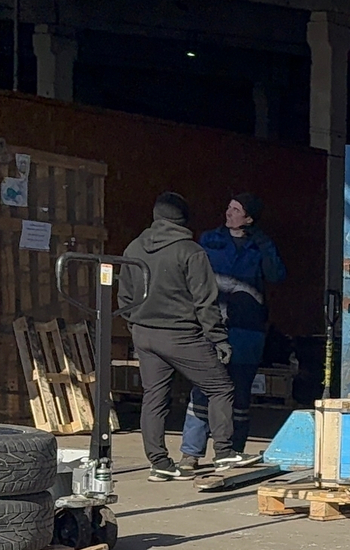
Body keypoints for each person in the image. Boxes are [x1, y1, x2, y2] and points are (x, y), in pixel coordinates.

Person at [118, 192, 244, 481]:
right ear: (184, 219)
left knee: (154, 397)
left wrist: (135, 327)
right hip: (181, 335)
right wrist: (218, 338)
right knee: (220, 388)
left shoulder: (133, 248)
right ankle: (224, 452)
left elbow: (124, 296)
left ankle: (159, 463)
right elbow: (205, 302)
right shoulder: (191, 252)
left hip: (144, 335)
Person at [179, 192, 286, 472]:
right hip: (212, 325)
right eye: (229, 207)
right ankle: (190, 453)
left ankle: (232, 451)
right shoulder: (210, 240)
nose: (229, 213)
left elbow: (276, 275)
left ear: (249, 218)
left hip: (247, 330)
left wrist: (264, 244)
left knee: (239, 393)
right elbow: (193, 276)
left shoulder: (260, 245)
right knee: (203, 388)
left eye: (236, 210)